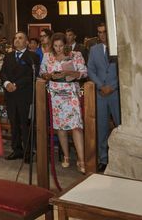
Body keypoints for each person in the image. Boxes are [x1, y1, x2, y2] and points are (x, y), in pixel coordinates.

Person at [40, 32, 87, 173]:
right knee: (60, 126)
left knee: (76, 125)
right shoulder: (48, 56)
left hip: (71, 92)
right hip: (55, 93)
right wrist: (48, 75)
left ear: (65, 44)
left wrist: (69, 73)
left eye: (61, 45)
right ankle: (66, 156)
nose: (58, 48)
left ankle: (81, 159)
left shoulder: (75, 55)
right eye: (55, 46)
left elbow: (84, 72)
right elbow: (42, 72)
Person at [0, 31, 39, 162]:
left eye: (20, 38)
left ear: (27, 42)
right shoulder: (8, 56)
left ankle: (28, 152)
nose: (17, 40)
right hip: (10, 94)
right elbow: (3, 72)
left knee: (25, 124)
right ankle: (16, 150)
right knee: (14, 123)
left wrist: (16, 84)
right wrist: (6, 83)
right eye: (15, 38)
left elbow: (31, 75)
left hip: (24, 94)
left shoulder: (32, 56)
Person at [87, 23, 120, 172]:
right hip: (100, 94)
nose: (102, 35)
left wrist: (112, 87)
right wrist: (101, 86)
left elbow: (124, 69)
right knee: (101, 127)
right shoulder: (94, 50)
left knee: (120, 126)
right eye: (99, 32)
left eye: (105, 32)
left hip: (116, 93)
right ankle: (103, 158)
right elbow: (91, 70)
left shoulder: (119, 47)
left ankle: (120, 157)